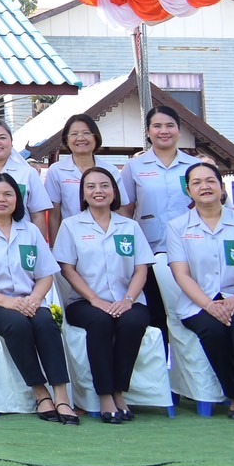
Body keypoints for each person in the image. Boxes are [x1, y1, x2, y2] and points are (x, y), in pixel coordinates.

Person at [0, 172, 77, 424]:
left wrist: (35, 299)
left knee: (46, 323)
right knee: (17, 324)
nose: (2, 199)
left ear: (18, 199)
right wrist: (7, 302)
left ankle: (62, 396)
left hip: (28, 301)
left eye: (8, 194)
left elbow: (45, 275)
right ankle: (41, 392)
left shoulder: (30, 231)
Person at [167, 162, 234, 423]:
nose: (204, 186)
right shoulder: (178, 227)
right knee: (212, 329)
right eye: (196, 182)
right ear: (189, 191)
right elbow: (182, 275)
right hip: (199, 303)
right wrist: (210, 306)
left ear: (221, 187)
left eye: (210, 181)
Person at [52, 167, 153, 423]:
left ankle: (119, 392)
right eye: (91, 186)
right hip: (84, 302)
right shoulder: (71, 226)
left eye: (105, 185)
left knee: (133, 323)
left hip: (127, 300)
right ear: (83, 194)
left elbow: (141, 269)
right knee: (100, 322)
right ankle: (105, 395)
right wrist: (95, 300)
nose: (98, 191)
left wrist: (128, 301)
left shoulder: (130, 226)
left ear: (114, 192)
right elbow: (67, 269)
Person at [120, 105, 200, 345]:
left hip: (191, 251)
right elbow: (125, 211)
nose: (163, 131)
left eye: (169, 125)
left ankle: (190, 366)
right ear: (148, 132)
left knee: (189, 312)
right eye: (157, 126)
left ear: (179, 130)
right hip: (150, 253)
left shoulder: (194, 167)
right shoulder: (134, 167)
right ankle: (161, 366)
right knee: (156, 315)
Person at [41, 113, 125, 243]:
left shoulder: (111, 170)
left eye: (86, 133)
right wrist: (55, 247)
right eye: (74, 134)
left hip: (108, 238)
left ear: (96, 137)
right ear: (66, 140)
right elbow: (54, 215)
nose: (80, 138)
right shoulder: (56, 171)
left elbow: (120, 209)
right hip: (72, 239)